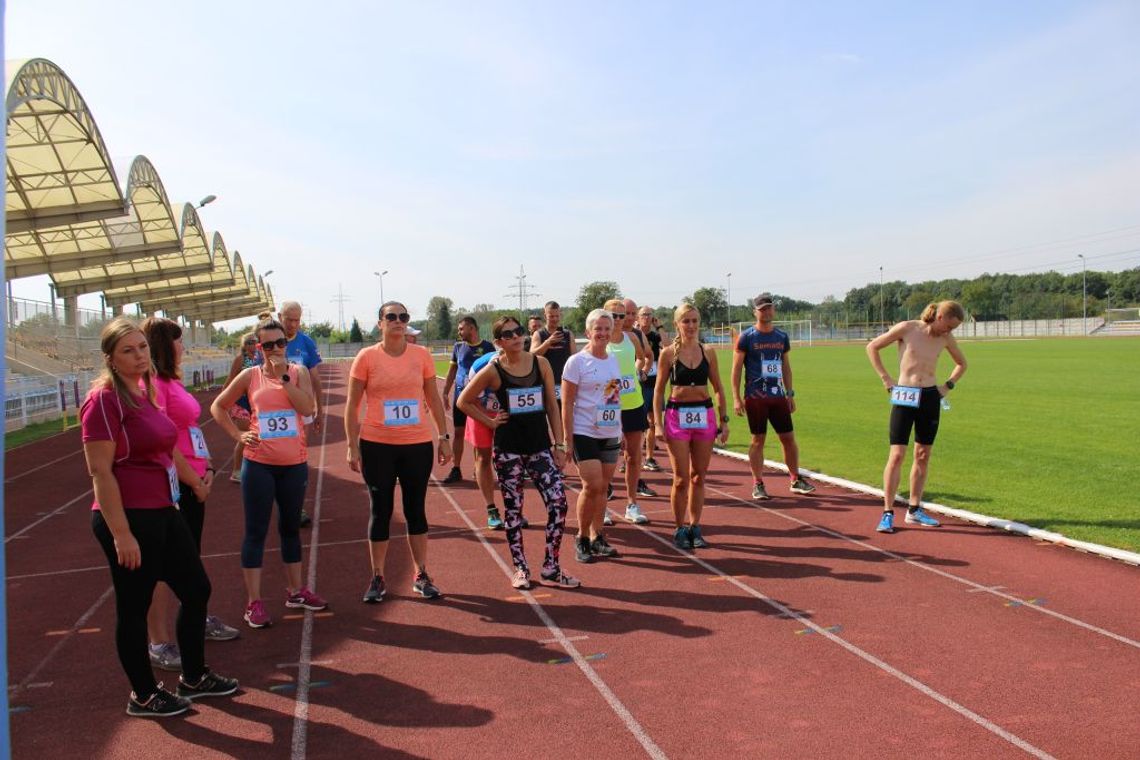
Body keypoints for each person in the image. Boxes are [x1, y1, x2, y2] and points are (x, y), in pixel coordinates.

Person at [82, 317, 238, 718]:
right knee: (134, 605)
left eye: (142, 348)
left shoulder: (144, 392)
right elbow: (100, 471)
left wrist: (195, 482)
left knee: (196, 588)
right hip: (129, 516)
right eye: (128, 351)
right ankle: (144, 694)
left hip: (164, 509)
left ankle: (193, 676)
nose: (139, 357)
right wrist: (121, 534)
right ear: (111, 359)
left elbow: (168, 451)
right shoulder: (103, 401)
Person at [210, 317, 327, 628]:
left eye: (281, 343)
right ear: (259, 348)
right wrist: (238, 436)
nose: (276, 349)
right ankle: (254, 603)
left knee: (290, 528)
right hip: (259, 464)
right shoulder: (250, 376)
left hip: (293, 465)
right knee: (256, 532)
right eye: (269, 344)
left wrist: (284, 379)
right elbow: (218, 406)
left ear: (286, 345)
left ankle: (296, 591)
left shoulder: (298, 372)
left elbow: (305, 409)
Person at [140, 318, 240, 675]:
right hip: (174, 485)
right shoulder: (152, 386)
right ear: (166, 345)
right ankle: (159, 641)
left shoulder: (171, 381)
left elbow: (190, 429)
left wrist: (208, 467)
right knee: (161, 567)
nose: (184, 347)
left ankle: (195, 617)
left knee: (189, 561)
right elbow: (165, 440)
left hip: (194, 480)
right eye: (179, 341)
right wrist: (194, 481)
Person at [458, 316, 580, 589]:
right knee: (513, 511)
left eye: (519, 332)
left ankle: (551, 566)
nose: (517, 337)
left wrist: (560, 445)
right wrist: (489, 421)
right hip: (508, 450)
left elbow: (551, 404)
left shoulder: (541, 364)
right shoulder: (493, 370)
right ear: (499, 342)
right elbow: (463, 400)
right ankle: (520, 569)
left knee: (559, 503)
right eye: (509, 334)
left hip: (540, 448)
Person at [345, 301, 452, 602]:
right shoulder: (366, 357)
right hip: (377, 444)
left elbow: (431, 396)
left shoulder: (421, 356)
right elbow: (352, 406)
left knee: (415, 510)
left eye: (403, 317)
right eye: (391, 317)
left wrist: (443, 437)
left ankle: (421, 573)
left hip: (416, 444)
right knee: (381, 511)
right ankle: (378, 576)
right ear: (380, 323)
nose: (398, 321)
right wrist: (352, 445)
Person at [866, 300, 968, 533]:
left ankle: (914, 509)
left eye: (954, 329)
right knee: (897, 454)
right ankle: (888, 512)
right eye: (949, 326)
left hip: (930, 397)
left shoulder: (945, 339)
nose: (950, 332)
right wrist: (886, 378)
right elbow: (872, 347)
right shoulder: (908, 328)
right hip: (905, 394)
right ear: (939, 316)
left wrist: (947, 385)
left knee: (922, 454)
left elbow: (962, 364)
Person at [654, 304, 730, 549]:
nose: (691, 326)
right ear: (677, 324)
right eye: (686, 321)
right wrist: (657, 424)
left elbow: (718, 388)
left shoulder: (708, 351)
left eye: (695, 321)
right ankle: (679, 528)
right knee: (680, 479)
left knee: (699, 476)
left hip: (704, 415)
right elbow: (658, 392)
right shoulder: (667, 353)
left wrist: (724, 420)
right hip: (677, 416)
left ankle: (695, 526)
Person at [731, 292, 816, 500]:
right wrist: (736, 397)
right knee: (758, 440)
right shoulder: (747, 337)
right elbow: (736, 369)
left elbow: (786, 367)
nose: (767, 312)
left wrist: (790, 393)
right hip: (756, 397)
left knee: (788, 438)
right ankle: (758, 483)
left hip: (778, 396)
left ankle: (795, 479)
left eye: (769, 308)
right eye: (762, 309)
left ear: (773, 310)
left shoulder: (781, 337)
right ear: (755, 312)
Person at [561, 308, 624, 562]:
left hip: (610, 431)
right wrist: (567, 438)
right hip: (584, 430)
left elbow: (611, 396)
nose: (603, 333)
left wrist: (618, 428)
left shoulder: (612, 360)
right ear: (588, 332)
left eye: (607, 329)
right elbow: (566, 403)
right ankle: (582, 537)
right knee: (592, 485)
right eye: (598, 328)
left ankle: (598, 537)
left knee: (604, 488)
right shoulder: (576, 362)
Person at [604, 298, 654, 525]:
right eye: (613, 315)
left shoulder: (631, 337)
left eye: (621, 316)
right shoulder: (600, 341)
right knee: (608, 459)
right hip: (609, 404)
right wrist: (614, 387)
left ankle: (632, 504)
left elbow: (644, 358)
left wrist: (639, 372)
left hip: (633, 403)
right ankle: (602, 505)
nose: (617, 320)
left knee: (634, 457)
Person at [278, 301, 323, 527]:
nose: (294, 324)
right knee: (273, 459)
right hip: (272, 413)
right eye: (289, 319)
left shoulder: (306, 342)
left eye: (297, 320)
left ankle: (296, 506)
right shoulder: (266, 341)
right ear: (280, 316)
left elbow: (315, 379)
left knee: (297, 458)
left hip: (300, 411)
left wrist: (320, 410)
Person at [441, 316, 495, 484]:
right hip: (461, 398)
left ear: (472, 328)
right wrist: (445, 392)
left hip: (480, 400)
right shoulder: (458, 347)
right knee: (458, 432)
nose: (459, 332)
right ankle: (456, 469)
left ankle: (477, 468)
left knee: (477, 436)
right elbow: (452, 371)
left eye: (461, 329)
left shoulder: (488, 347)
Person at [465, 348, 508, 530]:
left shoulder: (525, 363)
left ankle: (514, 510)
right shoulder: (480, 366)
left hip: (506, 412)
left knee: (511, 460)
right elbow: (470, 399)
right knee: (483, 457)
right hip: (479, 411)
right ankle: (491, 509)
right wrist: (489, 421)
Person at [221, 332, 262, 483]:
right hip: (240, 402)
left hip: (254, 402)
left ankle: (253, 467)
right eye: (249, 342)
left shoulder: (260, 357)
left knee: (256, 436)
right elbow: (230, 379)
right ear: (244, 345)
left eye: (255, 342)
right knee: (245, 437)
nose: (252, 345)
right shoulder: (240, 359)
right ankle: (236, 470)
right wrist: (224, 401)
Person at [530, 300, 575, 406]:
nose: (555, 319)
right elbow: (531, 356)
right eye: (551, 316)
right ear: (545, 315)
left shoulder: (568, 334)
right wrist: (548, 342)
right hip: (545, 384)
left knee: (564, 415)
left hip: (565, 383)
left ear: (560, 315)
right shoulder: (539, 334)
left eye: (557, 316)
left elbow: (574, 359)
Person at [638, 305, 664, 474]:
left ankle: (649, 458)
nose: (646, 317)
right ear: (638, 318)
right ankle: (630, 457)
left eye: (649, 315)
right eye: (643, 315)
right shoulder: (632, 335)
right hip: (636, 383)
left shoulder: (655, 336)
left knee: (652, 421)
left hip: (654, 383)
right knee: (634, 424)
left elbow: (669, 346)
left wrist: (660, 327)